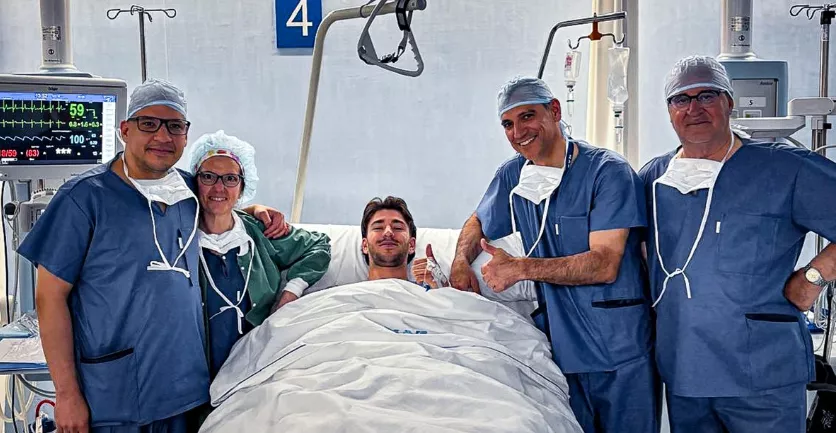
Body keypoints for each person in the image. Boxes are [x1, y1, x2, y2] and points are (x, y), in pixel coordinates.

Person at [18, 79, 288, 433]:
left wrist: (256, 208)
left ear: (186, 136)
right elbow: (49, 298)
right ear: (125, 130)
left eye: (175, 126)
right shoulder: (83, 199)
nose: (163, 136)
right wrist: (67, 394)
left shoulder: (189, 190)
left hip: (187, 388)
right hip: (113, 394)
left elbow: (221, 199)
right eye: (149, 123)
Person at [448, 76, 660, 433]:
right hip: (559, 349)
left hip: (617, 348)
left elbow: (605, 264)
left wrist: (520, 268)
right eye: (508, 124)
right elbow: (477, 221)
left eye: (528, 117)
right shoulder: (513, 174)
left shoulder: (607, 172)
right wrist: (459, 262)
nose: (518, 132)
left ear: (555, 111)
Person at [639, 55, 836, 432]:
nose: (694, 108)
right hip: (684, 373)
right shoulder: (653, 177)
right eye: (681, 99)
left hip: (762, 375)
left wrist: (815, 275)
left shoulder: (784, 168)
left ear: (729, 102)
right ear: (668, 112)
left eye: (707, 96)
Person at [189, 130, 331, 380]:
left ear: (243, 188)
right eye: (209, 176)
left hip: (256, 367)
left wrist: (290, 293)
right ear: (194, 181)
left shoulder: (259, 232)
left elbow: (318, 246)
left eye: (231, 178)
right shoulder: (177, 236)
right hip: (192, 371)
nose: (219, 187)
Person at [360, 196, 444, 287]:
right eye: (378, 228)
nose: (388, 232)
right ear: (365, 246)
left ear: (411, 245)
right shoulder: (347, 296)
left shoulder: (429, 294)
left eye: (397, 228)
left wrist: (441, 287)